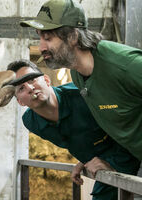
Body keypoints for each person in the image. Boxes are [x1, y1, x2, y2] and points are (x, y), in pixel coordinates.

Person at [19, 0, 142, 161]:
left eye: (48, 38)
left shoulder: (124, 65)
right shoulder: (77, 74)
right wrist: (92, 157)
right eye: (40, 38)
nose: (41, 47)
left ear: (72, 36)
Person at [7, 59, 140, 200]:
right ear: (20, 102)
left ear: (46, 80)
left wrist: (113, 164)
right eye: (21, 88)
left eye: (32, 80)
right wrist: (85, 159)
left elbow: (130, 125)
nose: (29, 88)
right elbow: (76, 138)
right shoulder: (32, 122)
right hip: (103, 159)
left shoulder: (84, 95)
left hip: (130, 148)